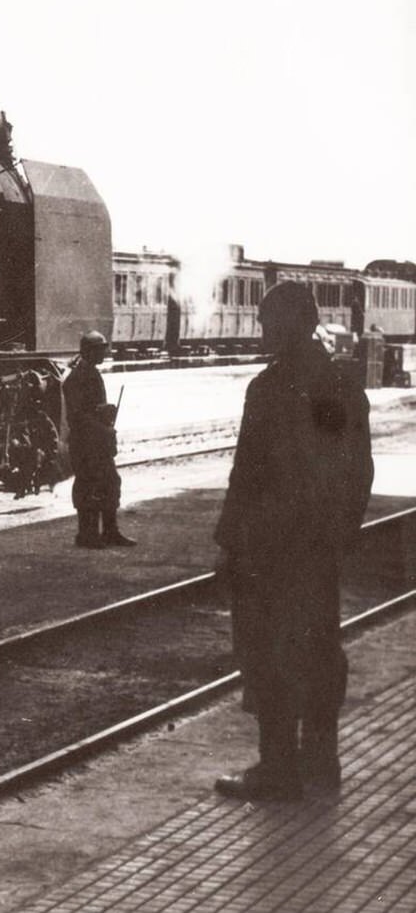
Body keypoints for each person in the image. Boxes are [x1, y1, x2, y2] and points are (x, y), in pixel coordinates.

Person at [213, 280, 372, 801]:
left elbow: (248, 475)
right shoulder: (336, 383)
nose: (261, 330)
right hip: (315, 547)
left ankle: (278, 770)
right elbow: (350, 468)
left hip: (269, 550)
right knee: (319, 647)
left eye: (266, 322)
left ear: (288, 324)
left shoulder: (272, 387)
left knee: (266, 652)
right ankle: (321, 762)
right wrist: (339, 532)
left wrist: (231, 544)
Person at [63, 330, 135, 548]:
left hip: (97, 442)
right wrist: (102, 427)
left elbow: (90, 409)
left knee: (110, 483)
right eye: (100, 350)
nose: (104, 353)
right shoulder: (77, 378)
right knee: (89, 487)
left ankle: (110, 531)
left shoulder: (91, 373)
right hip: (85, 443)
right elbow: (76, 416)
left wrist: (105, 412)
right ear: (89, 351)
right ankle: (87, 535)